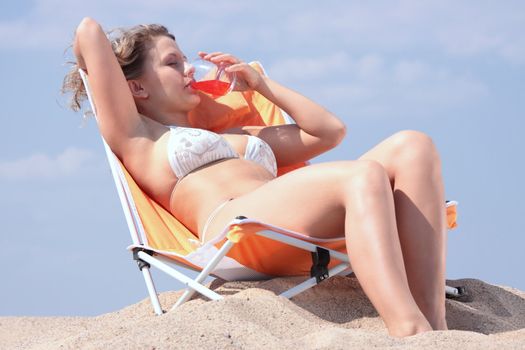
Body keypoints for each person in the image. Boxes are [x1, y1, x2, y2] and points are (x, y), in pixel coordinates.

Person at [63, 17, 449, 338]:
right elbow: (88, 32)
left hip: (290, 221)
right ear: (136, 87)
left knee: (413, 146)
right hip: (237, 228)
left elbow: (329, 132)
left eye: (185, 61)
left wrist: (262, 85)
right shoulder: (139, 137)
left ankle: (436, 326)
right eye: (173, 63)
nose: (189, 72)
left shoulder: (238, 137)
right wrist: (114, 63)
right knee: (364, 175)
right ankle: (408, 329)